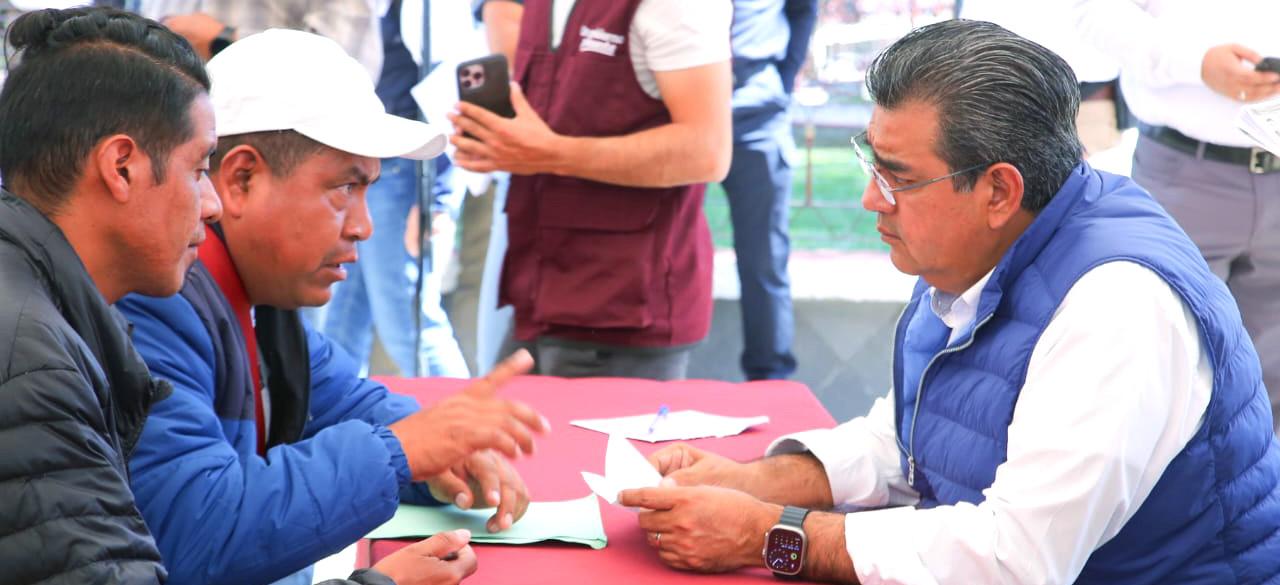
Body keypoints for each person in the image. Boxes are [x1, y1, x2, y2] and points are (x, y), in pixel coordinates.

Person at [618, 20, 1280, 583]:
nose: (871, 199)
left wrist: (770, 534)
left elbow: (1016, 558)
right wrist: (754, 481)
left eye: (896, 177)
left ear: (998, 191)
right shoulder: (986, 237)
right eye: (871, 164)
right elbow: (916, 439)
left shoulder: (1117, 307)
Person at [115, 29, 548, 585]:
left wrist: (436, 447)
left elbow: (345, 401)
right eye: (345, 188)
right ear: (242, 179)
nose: (364, 226)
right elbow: (197, 535)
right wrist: (402, 451)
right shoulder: (156, 305)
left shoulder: (256, 301)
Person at [449, 0, 733, 380]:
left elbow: (707, 151)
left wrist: (550, 153)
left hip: (624, 313)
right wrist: (502, 143)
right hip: (537, 296)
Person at [1071, 0, 1280, 434]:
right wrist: (1196, 63)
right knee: (1166, 369)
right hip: (1186, 169)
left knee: (1271, 384)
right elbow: (1095, 12)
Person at [722, 0, 818, 381]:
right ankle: (651, 375)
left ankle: (770, 381)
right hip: (676, 106)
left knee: (764, 258)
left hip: (757, 108)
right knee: (665, 245)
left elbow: (803, 9)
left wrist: (783, 78)